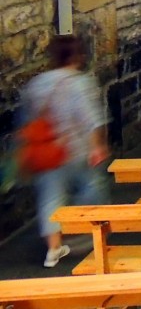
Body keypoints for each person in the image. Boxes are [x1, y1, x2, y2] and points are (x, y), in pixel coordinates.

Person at [22, 35, 109, 268]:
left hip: (47, 152)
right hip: (76, 150)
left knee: (50, 199)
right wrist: (97, 146)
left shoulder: (37, 84)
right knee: (92, 187)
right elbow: (90, 119)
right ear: (77, 56)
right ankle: (88, 232)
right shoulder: (80, 83)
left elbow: (28, 118)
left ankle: (53, 249)